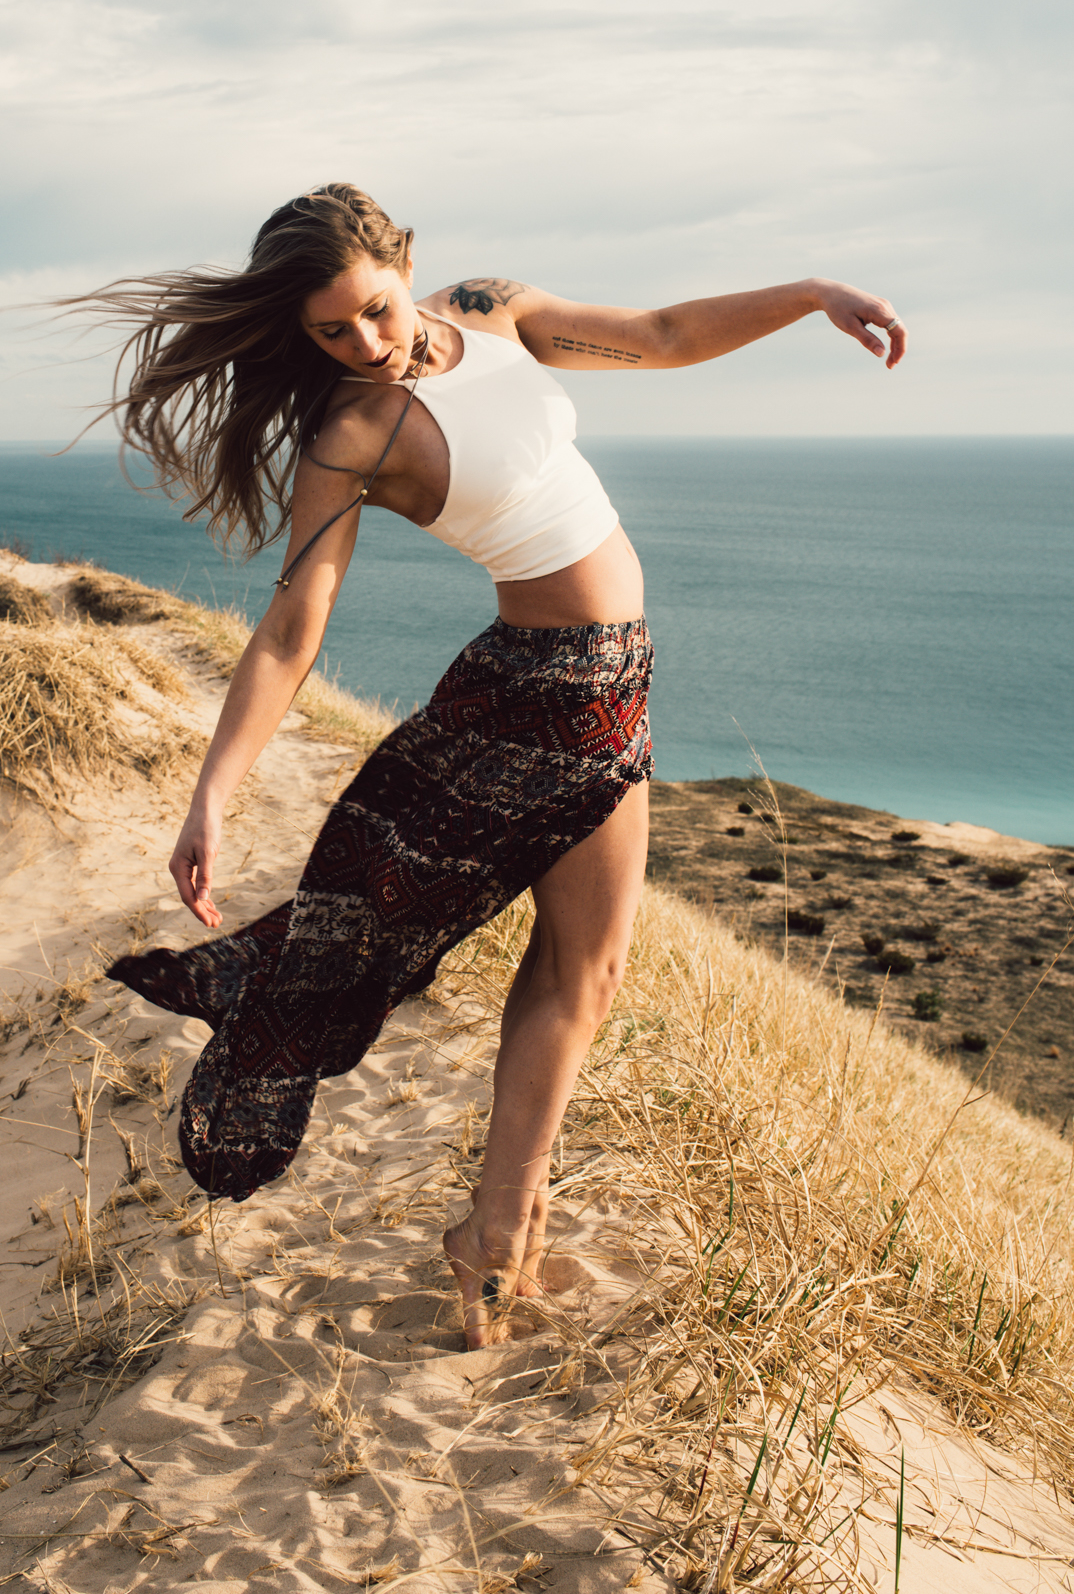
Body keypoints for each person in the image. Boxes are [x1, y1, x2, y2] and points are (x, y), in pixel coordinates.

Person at [90, 184, 906, 1347]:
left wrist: (814, 293)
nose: (367, 345)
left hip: (605, 677)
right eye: (332, 332)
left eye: (375, 311)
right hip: (549, 694)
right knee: (587, 969)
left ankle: (493, 1234)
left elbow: (666, 338)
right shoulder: (355, 431)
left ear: (405, 265)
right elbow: (291, 622)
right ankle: (498, 1230)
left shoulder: (497, 313)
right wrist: (212, 791)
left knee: (586, 966)